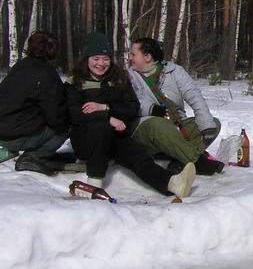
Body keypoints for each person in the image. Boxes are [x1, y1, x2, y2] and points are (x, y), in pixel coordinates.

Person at [66, 33, 196, 198]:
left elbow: (132, 107)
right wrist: (108, 118)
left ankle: (172, 183)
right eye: (96, 58)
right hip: (86, 141)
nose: (101, 63)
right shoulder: (75, 82)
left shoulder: (119, 78)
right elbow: (75, 114)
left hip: (114, 137)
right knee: (99, 127)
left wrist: (106, 108)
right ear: (87, 59)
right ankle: (94, 184)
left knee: (137, 155)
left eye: (105, 59)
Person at [127, 37, 223, 175]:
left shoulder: (174, 71)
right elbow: (134, 101)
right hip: (147, 127)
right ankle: (197, 162)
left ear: (147, 57)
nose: (130, 58)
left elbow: (194, 95)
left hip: (177, 124)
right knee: (159, 125)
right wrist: (153, 109)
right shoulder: (129, 76)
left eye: (133, 54)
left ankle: (176, 160)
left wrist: (205, 124)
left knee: (213, 124)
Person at [0, 30, 69, 175]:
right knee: (65, 127)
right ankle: (33, 157)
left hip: (3, 130)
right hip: (16, 135)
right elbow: (56, 117)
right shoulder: (47, 74)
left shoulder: (19, 67)